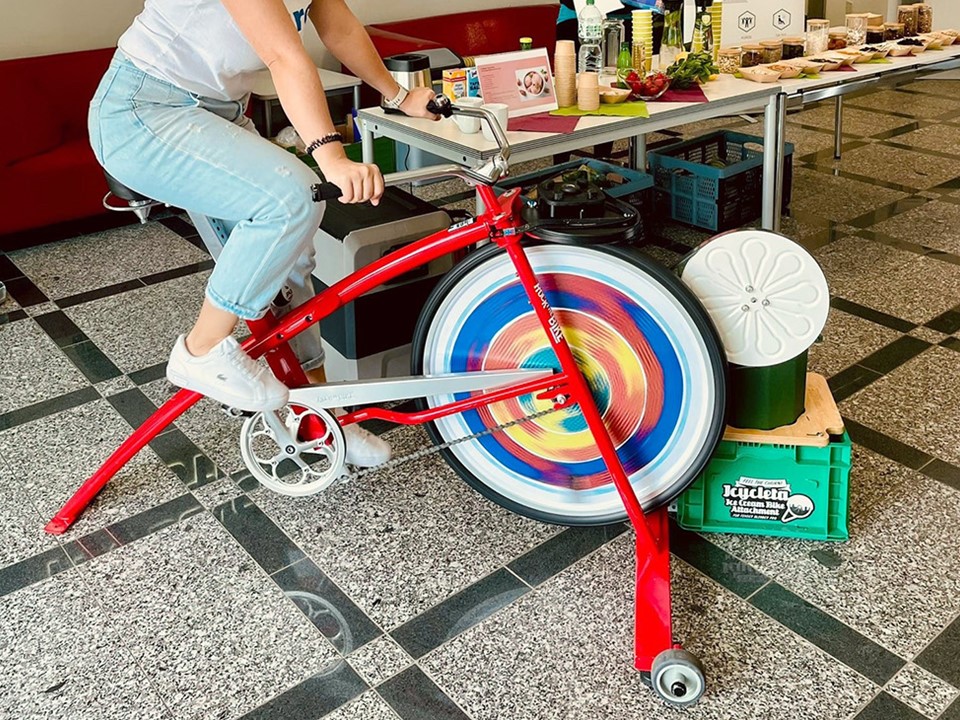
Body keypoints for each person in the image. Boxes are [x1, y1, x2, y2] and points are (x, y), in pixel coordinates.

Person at [88, 0, 438, 466]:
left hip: (215, 113)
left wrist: (398, 95)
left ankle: (319, 415)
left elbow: (340, 29)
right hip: (144, 111)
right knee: (289, 199)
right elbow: (284, 56)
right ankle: (201, 350)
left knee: (287, 258)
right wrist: (331, 156)